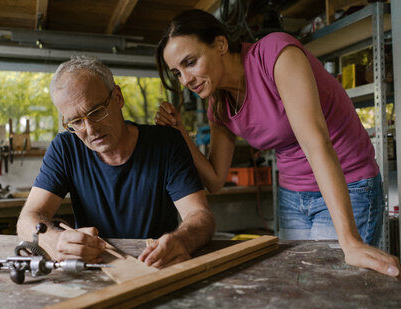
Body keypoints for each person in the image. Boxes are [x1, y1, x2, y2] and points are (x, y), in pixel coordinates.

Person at [154, 9, 400, 277]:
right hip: (293, 196)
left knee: (332, 292)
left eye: (190, 62)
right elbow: (214, 179)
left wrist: (350, 240)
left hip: (348, 184)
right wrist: (180, 132)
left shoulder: (275, 54)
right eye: (176, 72)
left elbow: (316, 143)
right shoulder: (219, 104)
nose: (185, 80)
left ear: (221, 44)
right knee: (302, 286)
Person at [16, 56, 215, 268]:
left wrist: (182, 240)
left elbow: (201, 216)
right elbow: (28, 219)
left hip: (156, 266)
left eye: (97, 112)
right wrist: (54, 241)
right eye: (75, 121)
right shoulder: (66, 148)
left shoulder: (165, 143)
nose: (91, 130)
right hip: (92, 267)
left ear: (118, 97)